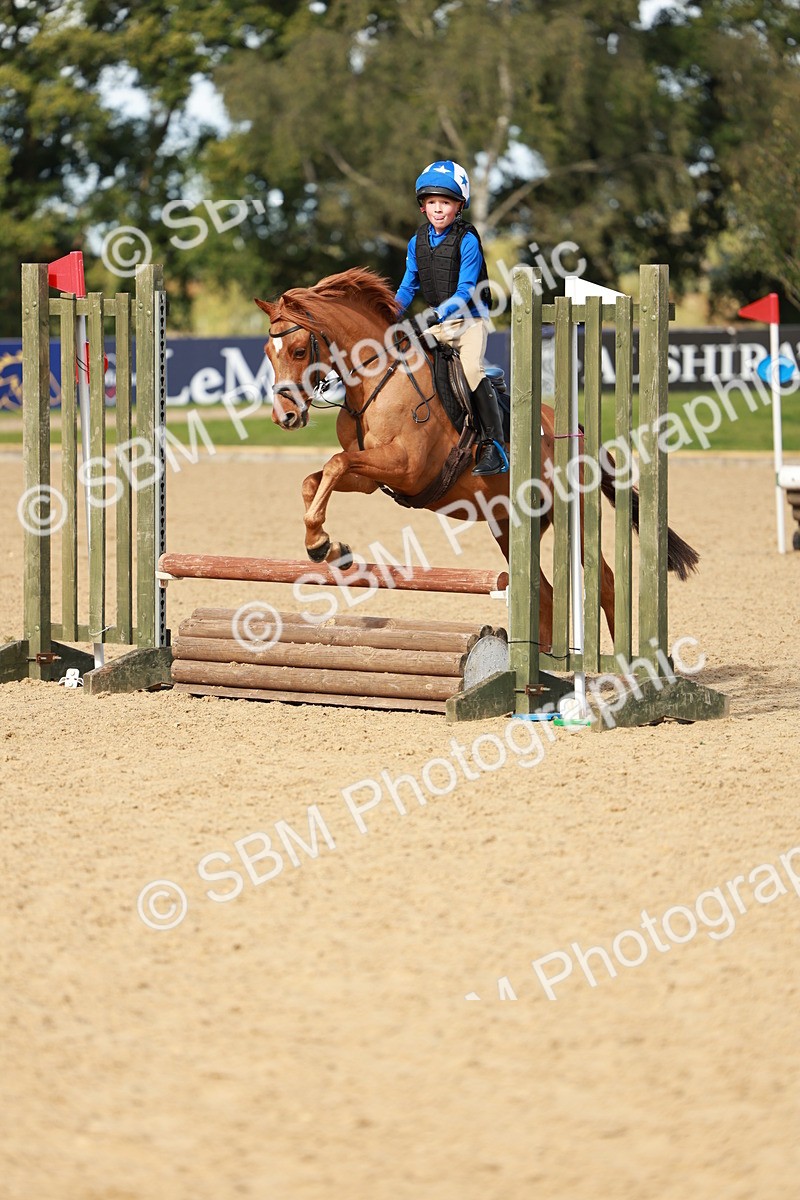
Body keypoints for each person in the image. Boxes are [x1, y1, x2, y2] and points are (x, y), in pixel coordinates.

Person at [394, 160, 509, 476]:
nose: (438, 209)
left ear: (459, 206)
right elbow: (408, 286)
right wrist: (389, 313)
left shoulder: (467, 240)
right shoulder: (416, 242)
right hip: (438, 325)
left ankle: (495, 447)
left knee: (471, 369)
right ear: (423, 207)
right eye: (432, 202)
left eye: (445, 202)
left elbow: (466, 290)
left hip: (468, 322)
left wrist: (435, 314)